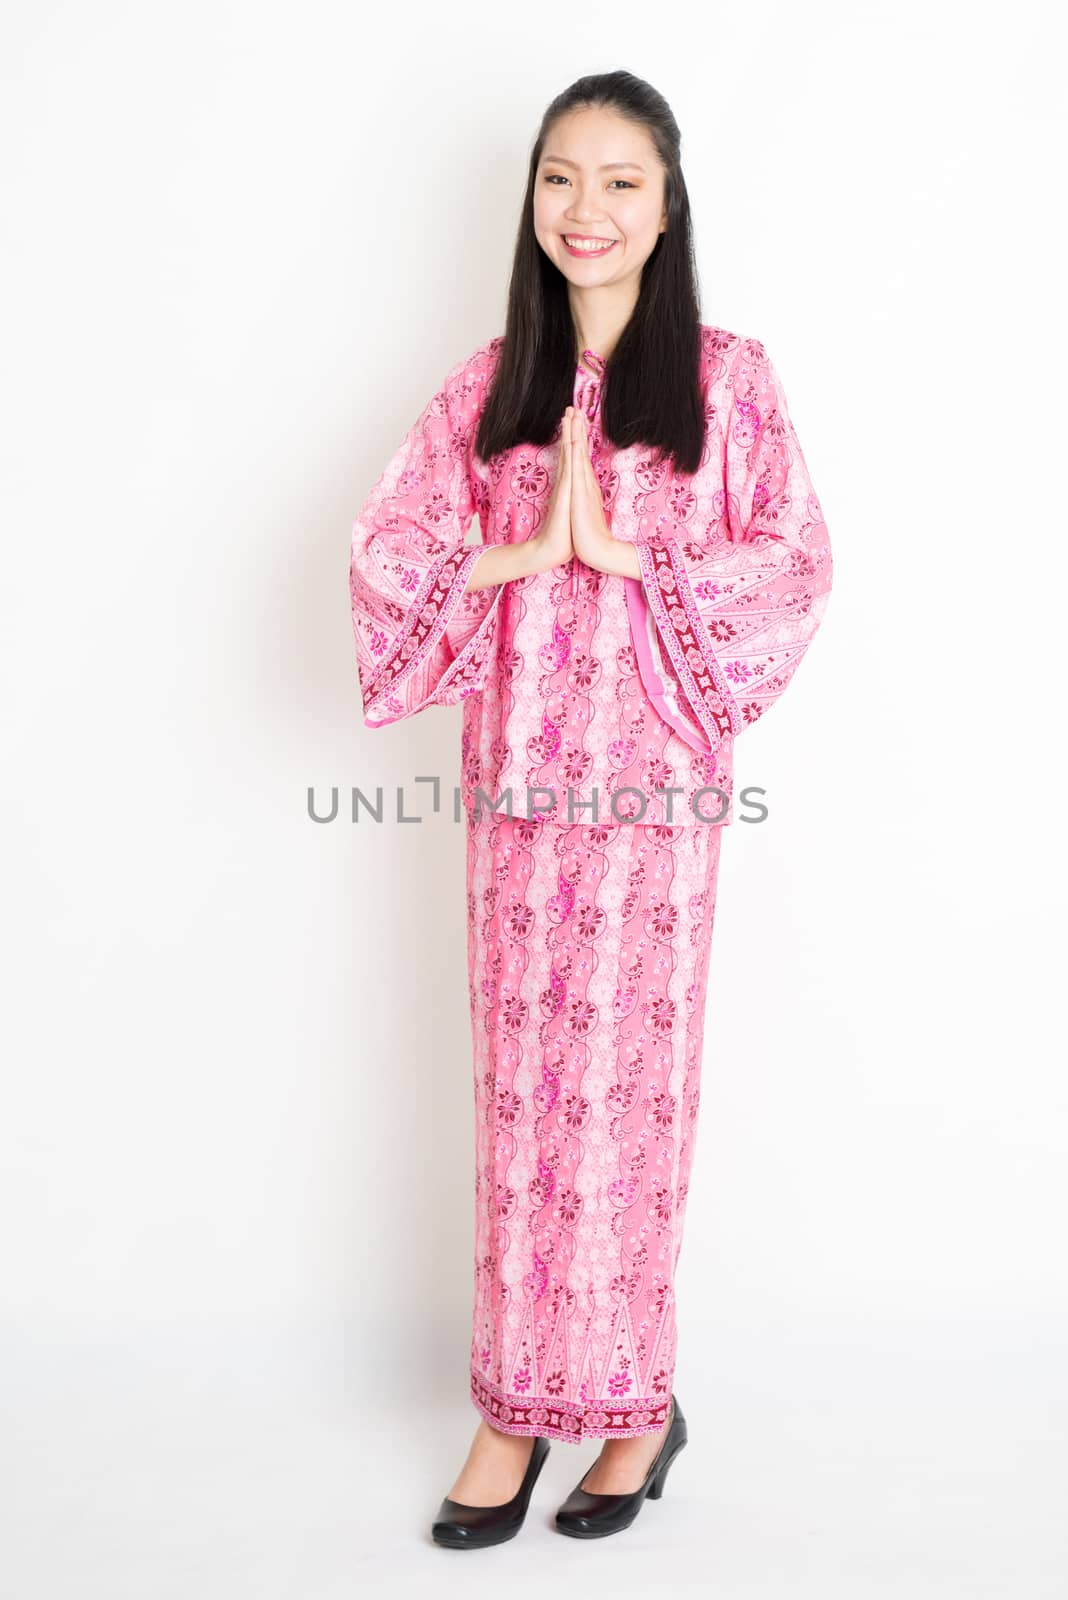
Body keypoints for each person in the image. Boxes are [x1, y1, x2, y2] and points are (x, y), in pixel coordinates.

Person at [348, 69, 833, 1547]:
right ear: (533, 200)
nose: (588, 209)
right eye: (562, 177)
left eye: (621, 180)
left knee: (624, 1108)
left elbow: (797, 565)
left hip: (655, 822)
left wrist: (630, 560)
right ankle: (511, 1408)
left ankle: (630, 1410)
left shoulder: (728, 384)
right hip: (519, 815)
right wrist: (525, 551)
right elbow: (388, 558)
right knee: (523, 1104)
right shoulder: (488, 387)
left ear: (668, 202)